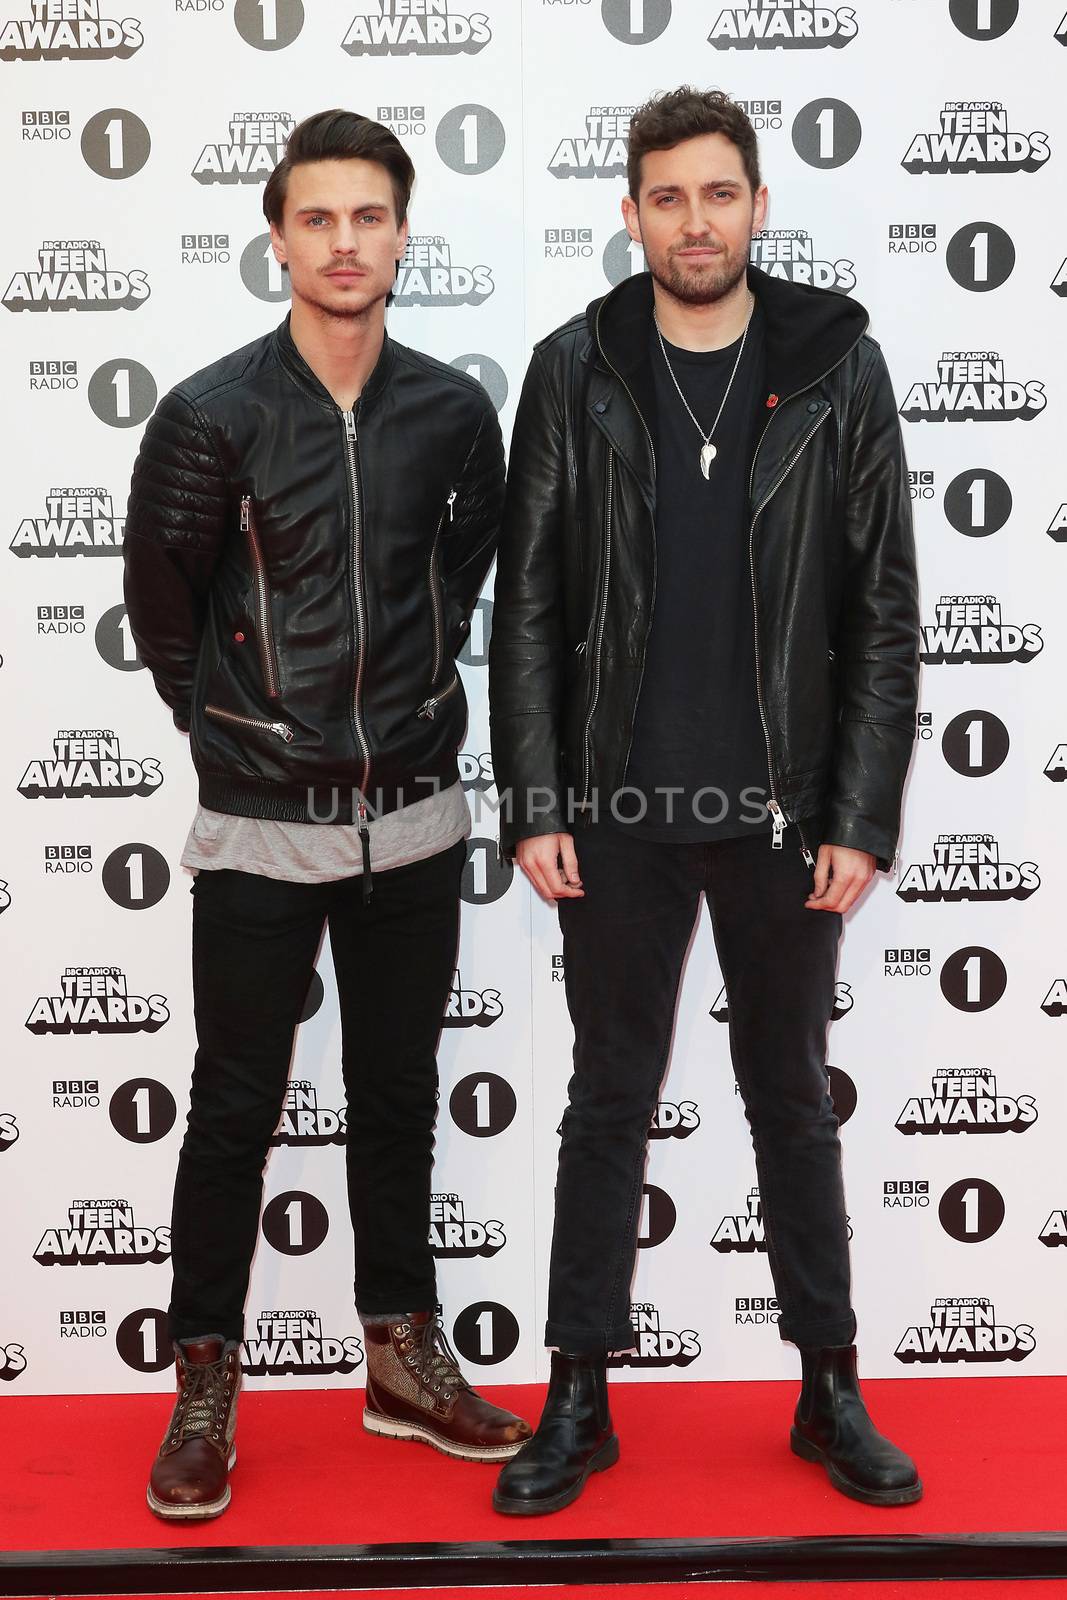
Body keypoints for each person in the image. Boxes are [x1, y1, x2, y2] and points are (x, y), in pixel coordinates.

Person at [489, 87, 921, 1515]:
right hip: (613, 812)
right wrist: (536, 797)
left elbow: (882, 612)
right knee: (606, 1101)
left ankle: (829, 1386)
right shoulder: (577, 367)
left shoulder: (839, 366)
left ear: (756, 204)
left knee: (792, 1100)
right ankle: (577, 1397)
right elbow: (534, 610)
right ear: (632, 212)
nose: (694, 220)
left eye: (718, 193)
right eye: (667, 196)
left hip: (786, 816)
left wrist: (860, 812)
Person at [124, 108, 528, 1522]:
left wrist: (394, 727)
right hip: (258, 822)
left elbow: (458, 579)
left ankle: (401, 1356)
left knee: (399, 1101)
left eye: (371, 217)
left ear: (403, 234)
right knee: (233, 1109)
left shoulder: (453, 414)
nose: (346, 243)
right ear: (279, 236)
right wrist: (246, 734)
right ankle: (204, 1383)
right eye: (319, 219)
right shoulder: (210, 415)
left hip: (413, 819)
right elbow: (164, 615)